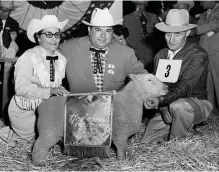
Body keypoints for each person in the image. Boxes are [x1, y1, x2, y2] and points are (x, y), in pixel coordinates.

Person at [32, 8, 159, 166]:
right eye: (98, 30)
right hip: (78, 113)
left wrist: (149, 96)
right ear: (89, 30)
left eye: (108, 30)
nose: (103, 35)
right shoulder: (69, 47)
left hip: (112, 115)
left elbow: (141, 75)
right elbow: (45, 60)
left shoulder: (126, 53)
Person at [141, 9, 213, 144]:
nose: (172, 40)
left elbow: (184, 87)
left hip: (195, 103)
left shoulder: (198, 54)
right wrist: (162, 109)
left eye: (177, 34)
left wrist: (162, 100)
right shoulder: (160, 55)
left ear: (187, 33)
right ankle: (186, 128)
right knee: (146, 142)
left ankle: (178, 146)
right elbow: (157, 87)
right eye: (168, 34)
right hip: (167, 104)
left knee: (179, 106)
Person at [0, 15, 69, 142]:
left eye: (57, 35)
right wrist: (49, 91)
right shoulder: (28, 57)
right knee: (35, 139)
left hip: (47, 109)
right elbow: (20, 88)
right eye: (48, 34)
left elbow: (55, 84)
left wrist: (62, 92)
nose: (54, 39)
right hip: (25, 111)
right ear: (38, 37)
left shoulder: (62, 59)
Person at [123, 1, 159, 72]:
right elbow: (123, 36)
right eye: (137, 4)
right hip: (132, 56)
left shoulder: (153, 17)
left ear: (146, 4)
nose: (139, 7)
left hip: (150, 57)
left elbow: (159, 36)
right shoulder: (126, 18)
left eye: (142, 4)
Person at [196, 1, 219, 110]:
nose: (200, 3)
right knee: (207, 82)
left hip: (216, 52)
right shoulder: (203, 14)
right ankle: (210, 108)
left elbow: (216, 23)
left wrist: (198, 29)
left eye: (202, 0)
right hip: (204, 51)